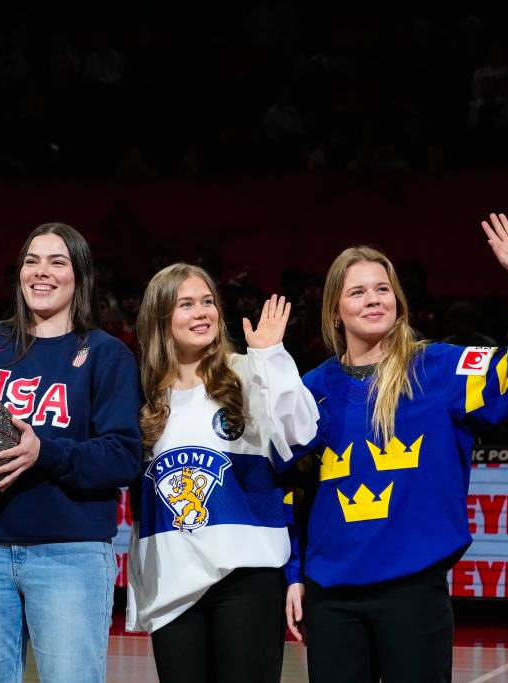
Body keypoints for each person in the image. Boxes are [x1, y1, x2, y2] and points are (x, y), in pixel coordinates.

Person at [285, 213, 508, 682]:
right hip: (330, 597)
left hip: (412, 593)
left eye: (382, 289)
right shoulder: (309, 391)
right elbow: (290, 489)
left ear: (398, 300)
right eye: (357, 291)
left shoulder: (443, 369)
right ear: (335, 310)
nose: (373, 299)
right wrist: (293, 572)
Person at [0, 222, 142, 683]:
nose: (41, 273)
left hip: (70, 551)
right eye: (31, 261)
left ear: (80, 276)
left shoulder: (106, 354)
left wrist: (45, 452)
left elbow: (123, 456)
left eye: (57, 262)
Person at [127, 264, 318, 682]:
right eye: (186, 304)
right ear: (160, 319)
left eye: (208, 301)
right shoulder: (140, 397)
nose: (202, 313)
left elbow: (301, 433)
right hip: (172, 581)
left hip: (246, 575)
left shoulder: (247, 373)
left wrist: (271, 355)